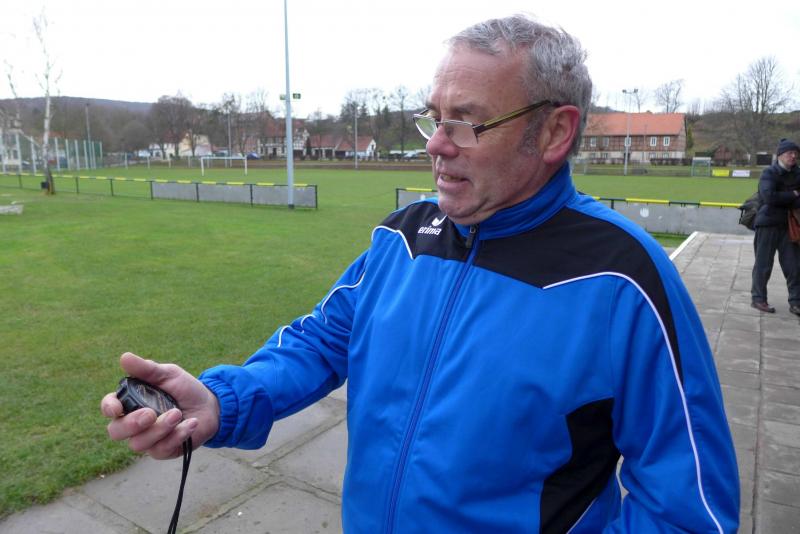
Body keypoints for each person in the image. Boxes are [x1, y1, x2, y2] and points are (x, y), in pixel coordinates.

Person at [102, 15, 740, 532]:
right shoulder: (402, 236)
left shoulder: (624, 280)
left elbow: (690, 511)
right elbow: (321, 341)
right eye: (434, 117)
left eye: (466, 122)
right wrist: (221, 401)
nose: (435, 143)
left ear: (554, 132)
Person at [750, 138, 800, 315]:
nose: (793, 156)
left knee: (794, 266)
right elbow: (768, 197)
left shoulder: (798, 173)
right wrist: (793, 194)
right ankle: (758, 299)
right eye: (789, 153)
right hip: (767, 224)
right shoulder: (769, 173)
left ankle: (796, 302)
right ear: (780, 155)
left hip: (789, 226)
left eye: (795, 153)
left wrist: (784, 196)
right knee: (763, 264)